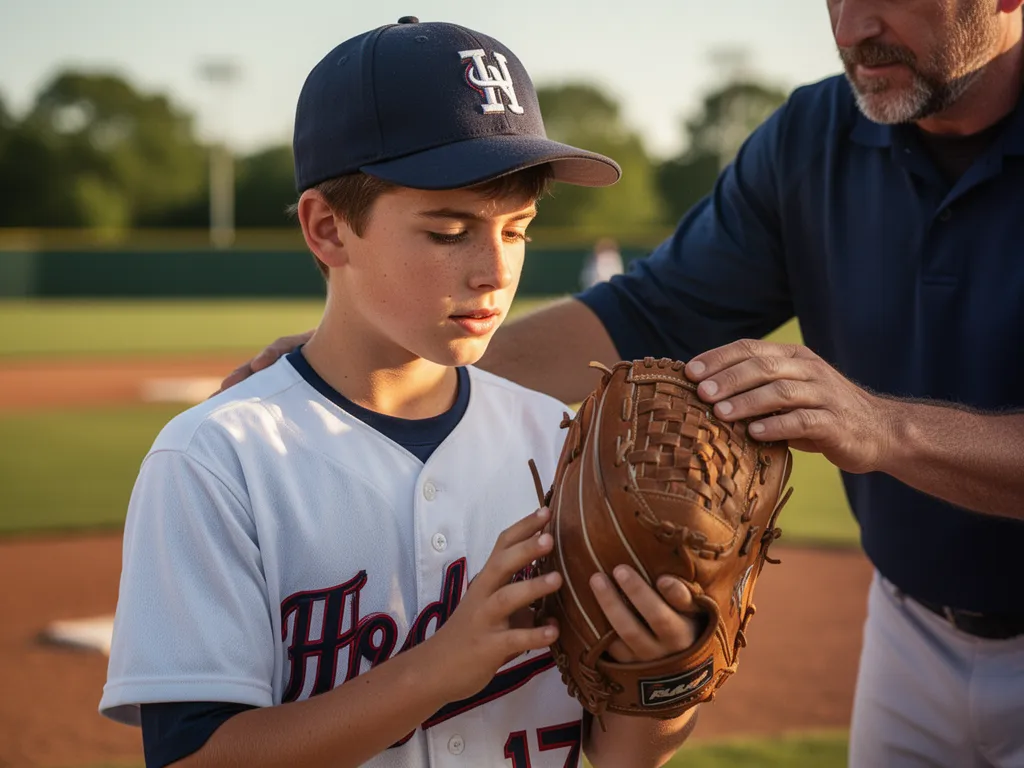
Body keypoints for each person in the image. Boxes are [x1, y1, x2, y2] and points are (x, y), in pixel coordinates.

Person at [226, 2, 1024, 766]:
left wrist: (887, 429)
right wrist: (376, 360)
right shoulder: (813, 139)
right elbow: (649, 311)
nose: (852, 27)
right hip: (909, 624)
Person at [100, 18, 702, 768]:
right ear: (327, 230)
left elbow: (617, 756)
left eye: (518, 230)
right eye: (449, 231)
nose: (494, 270)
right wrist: (438, 669)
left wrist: (665, 677)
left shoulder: (563, 442)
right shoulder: (219, 460)